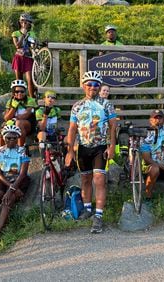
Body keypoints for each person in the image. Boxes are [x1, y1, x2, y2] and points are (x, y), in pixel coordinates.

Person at [65, 71, 117, 234]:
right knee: (86, 179)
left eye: (96, 85)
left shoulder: (106, 104)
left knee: (99, 179)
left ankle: (99, 215)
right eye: (89, 84)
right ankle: (87, 208)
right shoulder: (77, 106)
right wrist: (70, 151)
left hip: (100, 146)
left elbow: (113, 126)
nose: (92, 87)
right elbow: (72, 129)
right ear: (83, 86)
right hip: (82, 147)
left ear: (99, 87)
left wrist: (111, 147)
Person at [0, 124, 30, 243]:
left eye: (14, 138)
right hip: (5, 180)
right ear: (4, 138)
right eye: (8, 138)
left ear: (18, 138)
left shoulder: (22, 151)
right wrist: (10, 187)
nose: (11, 140)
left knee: (7, 200)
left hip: (19, 180)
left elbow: (23, 174)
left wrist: (12, 190)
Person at [3, 79, 37, 147]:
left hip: (28, 125)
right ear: (13, 92)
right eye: (17, 91)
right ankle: (2, 152)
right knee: (2, 129)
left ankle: (20, 148)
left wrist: (13, 119)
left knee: (19, 123)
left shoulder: (30, 100)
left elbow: (25, 116)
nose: (19, 93)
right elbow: (6, 118)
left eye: (22, 91)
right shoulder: (10, 102)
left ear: (25, 92)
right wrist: (13, 107)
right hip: (13, 124)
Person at [11, 13, 37, 98]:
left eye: (27, 22)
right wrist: (23, 35)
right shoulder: (15, 33)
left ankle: (32, 100)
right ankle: (18, 98)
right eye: (23, 22)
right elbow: (17, 46)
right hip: (19, 58)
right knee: (19, 80)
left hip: (28, 58)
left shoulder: (32, 33)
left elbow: (35, 45)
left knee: (30, 80)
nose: (25, 24)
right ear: (20, 22)